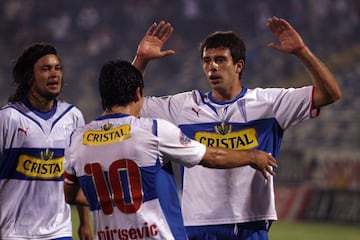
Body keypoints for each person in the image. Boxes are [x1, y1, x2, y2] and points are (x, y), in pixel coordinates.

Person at [132, 16, 342, 239]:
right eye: (207, 61)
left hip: (250, 224)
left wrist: (302, 51)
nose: (212, 66)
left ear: (238, 65)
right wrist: (141, 60)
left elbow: (330, 94)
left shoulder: (269, 104)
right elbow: (128, 107)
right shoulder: (183, 106)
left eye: (220, 60)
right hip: (199, 224)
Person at [63, 59, 278, 240]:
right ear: (139, 94)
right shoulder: (153, 130)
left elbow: (70, 195)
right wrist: (252, 155)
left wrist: (109, 195)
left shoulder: (77, 139)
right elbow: (211, 156)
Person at [0, 43, 93, 239]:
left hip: (58, 230)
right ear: (29, 77)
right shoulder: (9, 118)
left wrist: (84, 223)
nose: (54, 74)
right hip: (15, 232)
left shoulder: (73, 117)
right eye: (46, 69)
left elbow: (77, 174)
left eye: (57, 68)